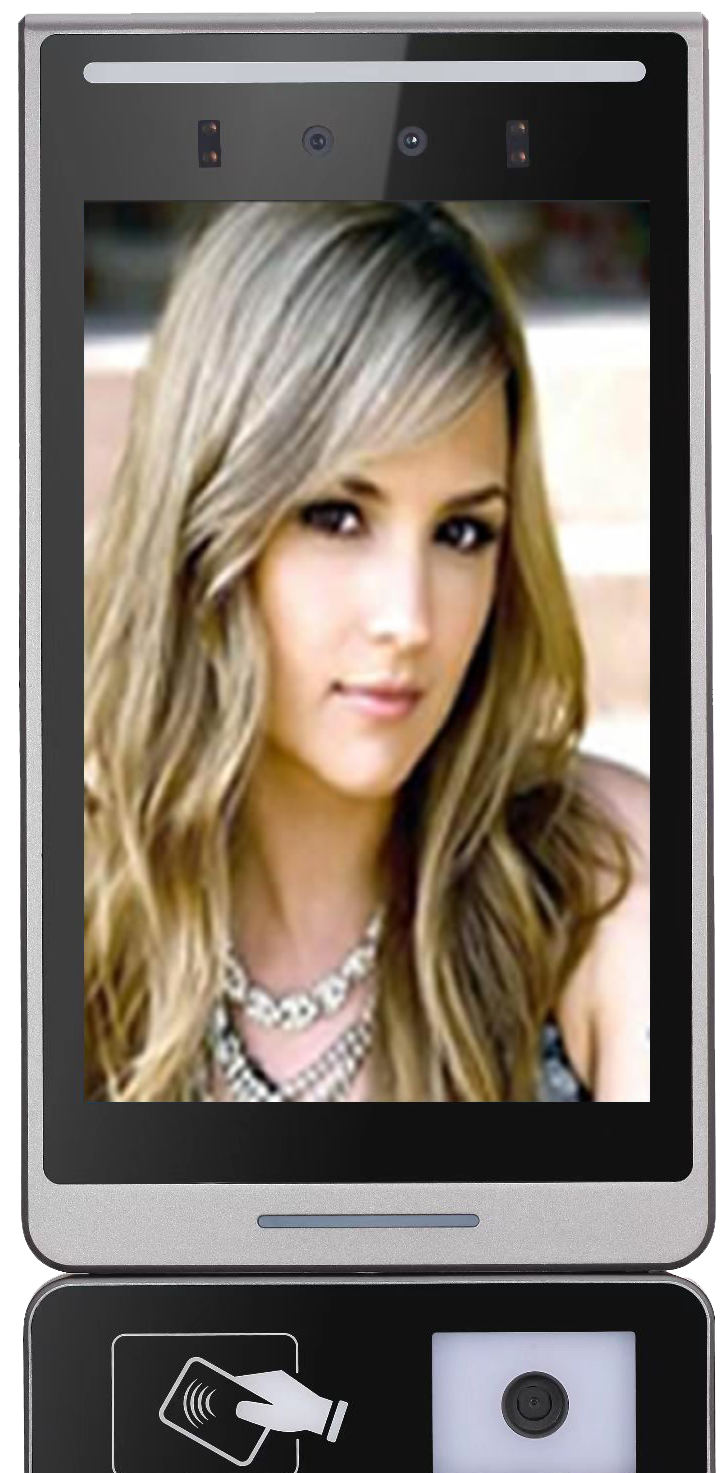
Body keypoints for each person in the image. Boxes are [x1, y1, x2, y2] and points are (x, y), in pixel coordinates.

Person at [84, 200, 649, 1104]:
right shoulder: (79, 909)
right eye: (336, 517)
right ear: (206, 529)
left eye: (462, 533)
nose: (409, 619)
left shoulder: (605, 876)